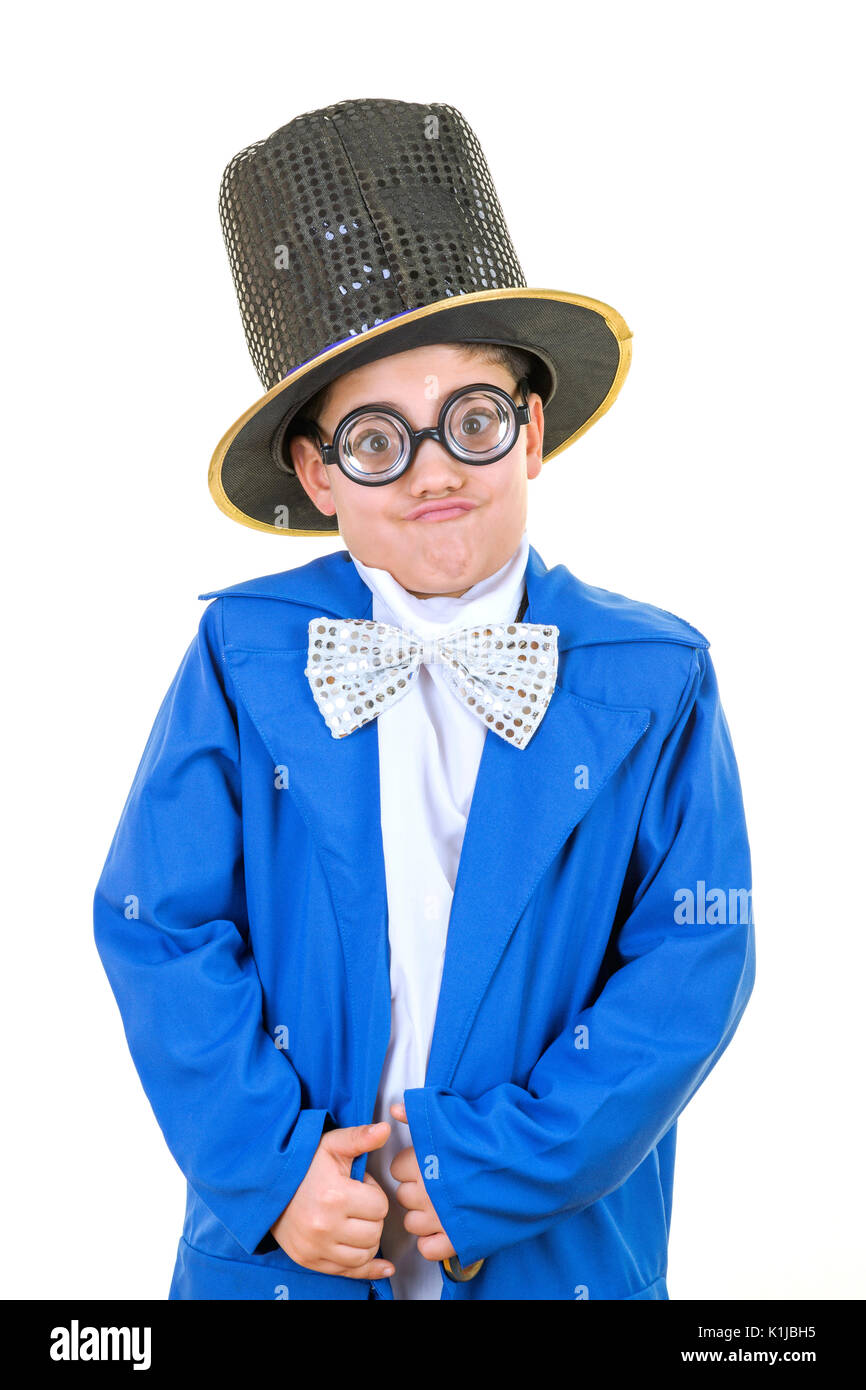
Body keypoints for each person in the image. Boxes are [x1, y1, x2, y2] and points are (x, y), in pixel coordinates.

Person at [93, 98, 755, 1301]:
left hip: (543, 1246)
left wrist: (492, 1168)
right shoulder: (242, 655)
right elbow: (159, 923)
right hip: (291, 1246)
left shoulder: (653, 675)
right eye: (376, 440)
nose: (435, 466)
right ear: (315, 472)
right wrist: (272, 1170)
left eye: (470, 418)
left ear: (531, 431)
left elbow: (691, 961)